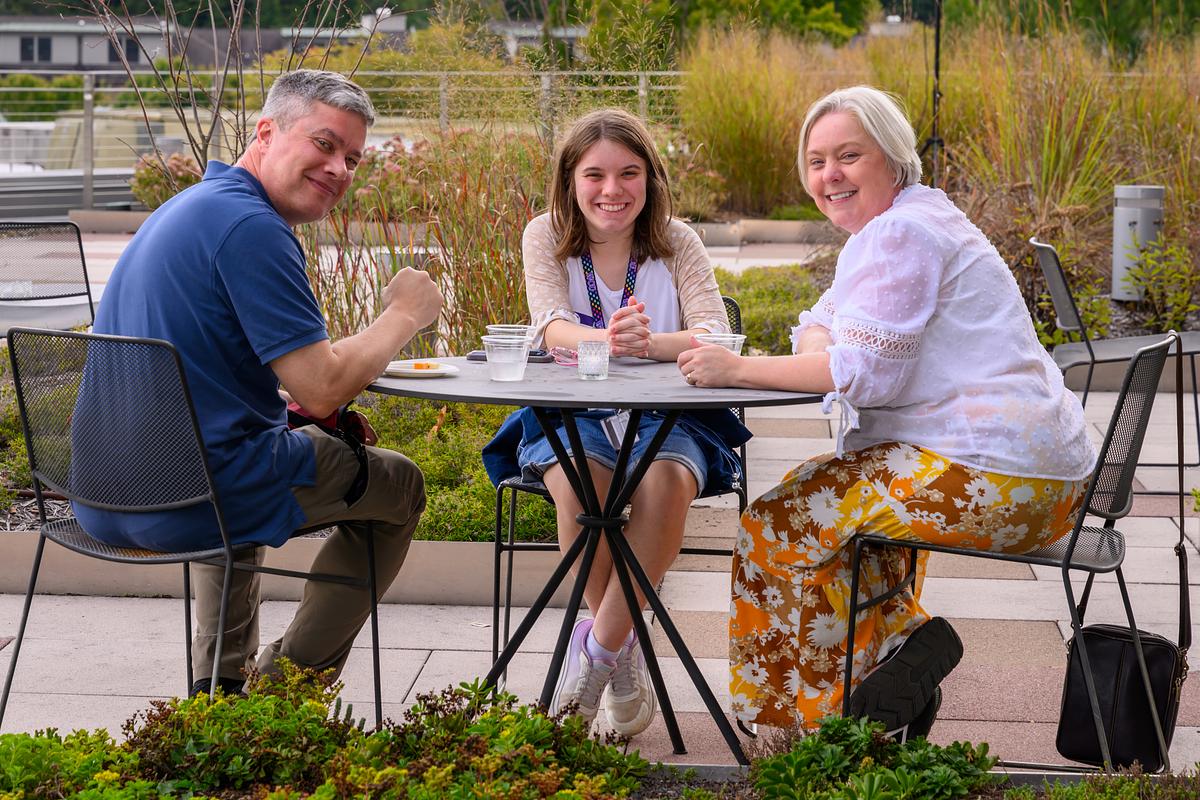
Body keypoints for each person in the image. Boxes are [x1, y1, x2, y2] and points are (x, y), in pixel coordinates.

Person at [677, 86, 1097, 738]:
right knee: (832, 518)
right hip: (1038, 479)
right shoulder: (911, 222)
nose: (829, 175)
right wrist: (827, 344)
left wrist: (733, 369)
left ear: (893, 157)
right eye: (816, 161)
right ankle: (893, 664)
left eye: (849, 155)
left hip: (999, 480)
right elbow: (824, 326)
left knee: (776, 526)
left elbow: (861, 375)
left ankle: (800, 731)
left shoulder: (901, 234)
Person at [76, 70, 443, 696]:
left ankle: (218, 690)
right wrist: (404, 314)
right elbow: (324, 386)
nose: (340, 169)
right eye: (324, 145)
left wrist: (296, 414)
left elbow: (208, 375)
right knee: (400, 486)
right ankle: (284, 689)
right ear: (266, 132)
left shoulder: (188, 208)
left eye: (352, 158)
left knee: (263, 443)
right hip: (198, 497)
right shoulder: (252, 229)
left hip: (104, 494)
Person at [483, 108, 750, 736]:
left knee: (661, 481)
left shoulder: (677, 240)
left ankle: (594, 662)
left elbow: (719, 334)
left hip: (671, 411)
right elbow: (551, 327)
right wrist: (605, 338)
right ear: (570, 181)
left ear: (650, 179)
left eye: (629, 173)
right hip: (573, 411)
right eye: (595, 174)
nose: (612, 190)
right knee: (582, 490)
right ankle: (624, 648)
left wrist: (649, 343)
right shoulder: (544, 234)